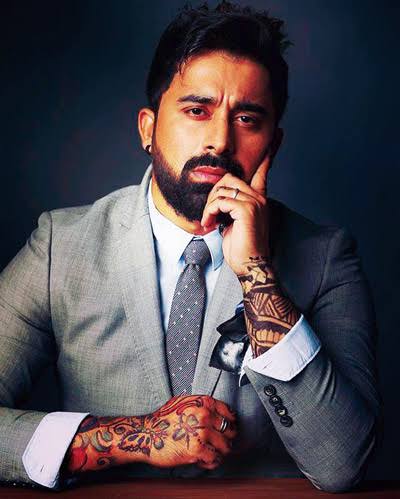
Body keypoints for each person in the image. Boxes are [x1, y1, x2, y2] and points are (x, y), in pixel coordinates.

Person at [0, 0, 381, 492]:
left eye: (247, 119)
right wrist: (136, 437)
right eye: (197, 111)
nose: (219, 140)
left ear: (273, 144)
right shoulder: (61, 248)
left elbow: (344, 463)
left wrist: (257, 274)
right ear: (148, 128)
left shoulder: (326, 257)